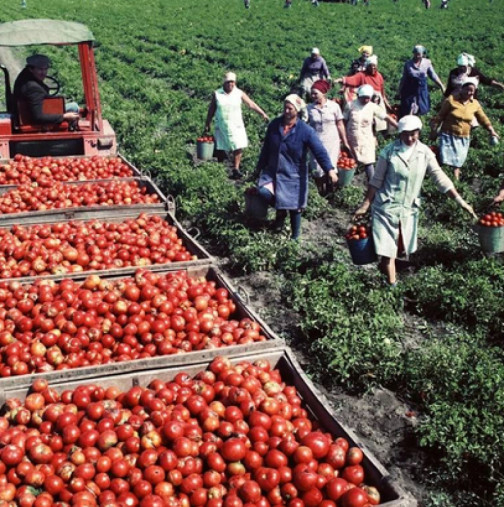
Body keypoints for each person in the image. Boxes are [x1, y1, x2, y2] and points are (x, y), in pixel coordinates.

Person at [354, 115, 477, 286]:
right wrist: (365, 204)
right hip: (386, 207)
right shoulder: (389, 152)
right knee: (389, 251)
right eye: (405, 134)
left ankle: (384, 267)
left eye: (413, 134)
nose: (410, 138)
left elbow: (440, 177)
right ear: (399, 133)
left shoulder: (425, 153)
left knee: (400, 247)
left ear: (419, 132)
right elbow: (376, 181)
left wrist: (460, 201)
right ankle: (392, 286)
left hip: (408, 209)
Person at [255, 94, 338, 240]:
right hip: (273, 171)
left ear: (297, 111)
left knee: (295, 207)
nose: (286, 111)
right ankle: (280, 212)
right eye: (285, 108)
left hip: (293, 174)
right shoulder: (275, 125)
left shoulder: (305, 130)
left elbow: (319, 151)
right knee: (263, 192)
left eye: (290, 108)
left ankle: (294, 237)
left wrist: (329, 169)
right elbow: (266, 148)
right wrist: (259, 168)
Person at [430, 78, 499, 181]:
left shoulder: (474, 104)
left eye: (472, 90)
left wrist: (491, 131)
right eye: (467, 89)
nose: (469, 92)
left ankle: (455, 182)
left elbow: (483, 118)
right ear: (461, 89)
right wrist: (434, 129)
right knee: (445, 160)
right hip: (448, 134)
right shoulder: (451, 100)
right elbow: (440, 115)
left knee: (458, 161)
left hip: (463, 137)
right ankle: (441, 181)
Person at [204, 72, 269, 179]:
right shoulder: (217, 94)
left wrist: (262, 113)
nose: (231, 84)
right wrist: (207, 123)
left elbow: (250, 103)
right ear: (224, 83)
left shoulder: (239, 93)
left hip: (236, 124)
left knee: (238, 145)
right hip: (222, 124)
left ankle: (236, 169)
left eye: (233, 82)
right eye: (228, 82)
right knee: (220, 146)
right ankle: (220, 170)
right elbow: (211, 109)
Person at [344, 84, 398, 181]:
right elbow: (344, 121)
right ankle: (349, 183)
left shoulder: (372, 107)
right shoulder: (350, 105)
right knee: (350, 162)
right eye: (364, 98)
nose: (366, 100)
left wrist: (398, 126)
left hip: (366, 138)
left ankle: (372, 184)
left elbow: (385, 117)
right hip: (351, 137)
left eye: (368, 98)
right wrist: (343, 138)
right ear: (359, 96)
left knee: (368, 162)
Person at [307, 80, 351, 195]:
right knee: (317, 169)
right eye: (311, 93)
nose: (312, 96)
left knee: (331, 167)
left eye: (315, 93)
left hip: (332, 142)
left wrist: (345, 142)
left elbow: (340, 125)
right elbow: (304, 125)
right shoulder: (309, 108)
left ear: (323, 93)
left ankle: (331, 192)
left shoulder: (334, 106)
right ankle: (320, 191)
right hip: (316, 142)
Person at [13, 54, 80, 126]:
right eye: (40, 69)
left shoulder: (25, 77)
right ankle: (71, 129)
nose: (44, 73)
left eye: (45, 69)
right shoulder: (33, 88)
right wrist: (64, 116)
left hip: (32, 110)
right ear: (31, 69)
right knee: (74, 106)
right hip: (34, 119)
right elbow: (38, 117)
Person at [334, 55, 392, 131]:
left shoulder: (379, 76)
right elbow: (352, 79)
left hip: (378, 99)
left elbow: (382, 90)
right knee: (366, 118)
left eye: (374, 66)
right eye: (370, 66)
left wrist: (385, 102)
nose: (372, 68)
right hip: (367, 99)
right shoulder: (362, 75)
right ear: (367, 66)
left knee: (380, 118)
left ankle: (379, 134)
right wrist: (340, 79)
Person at [398, 45, 445, 118]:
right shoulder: (408, 64)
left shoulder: (427, 63)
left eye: (419, 54)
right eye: (415, 53)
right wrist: (400, 89)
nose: (417, 56)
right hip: (410, 89)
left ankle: (420, 121)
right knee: (409, 108)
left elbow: (433, 75)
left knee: (422, 108)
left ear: (423, 54)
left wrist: (441, 86)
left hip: (421, 89)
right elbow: (404, 78)